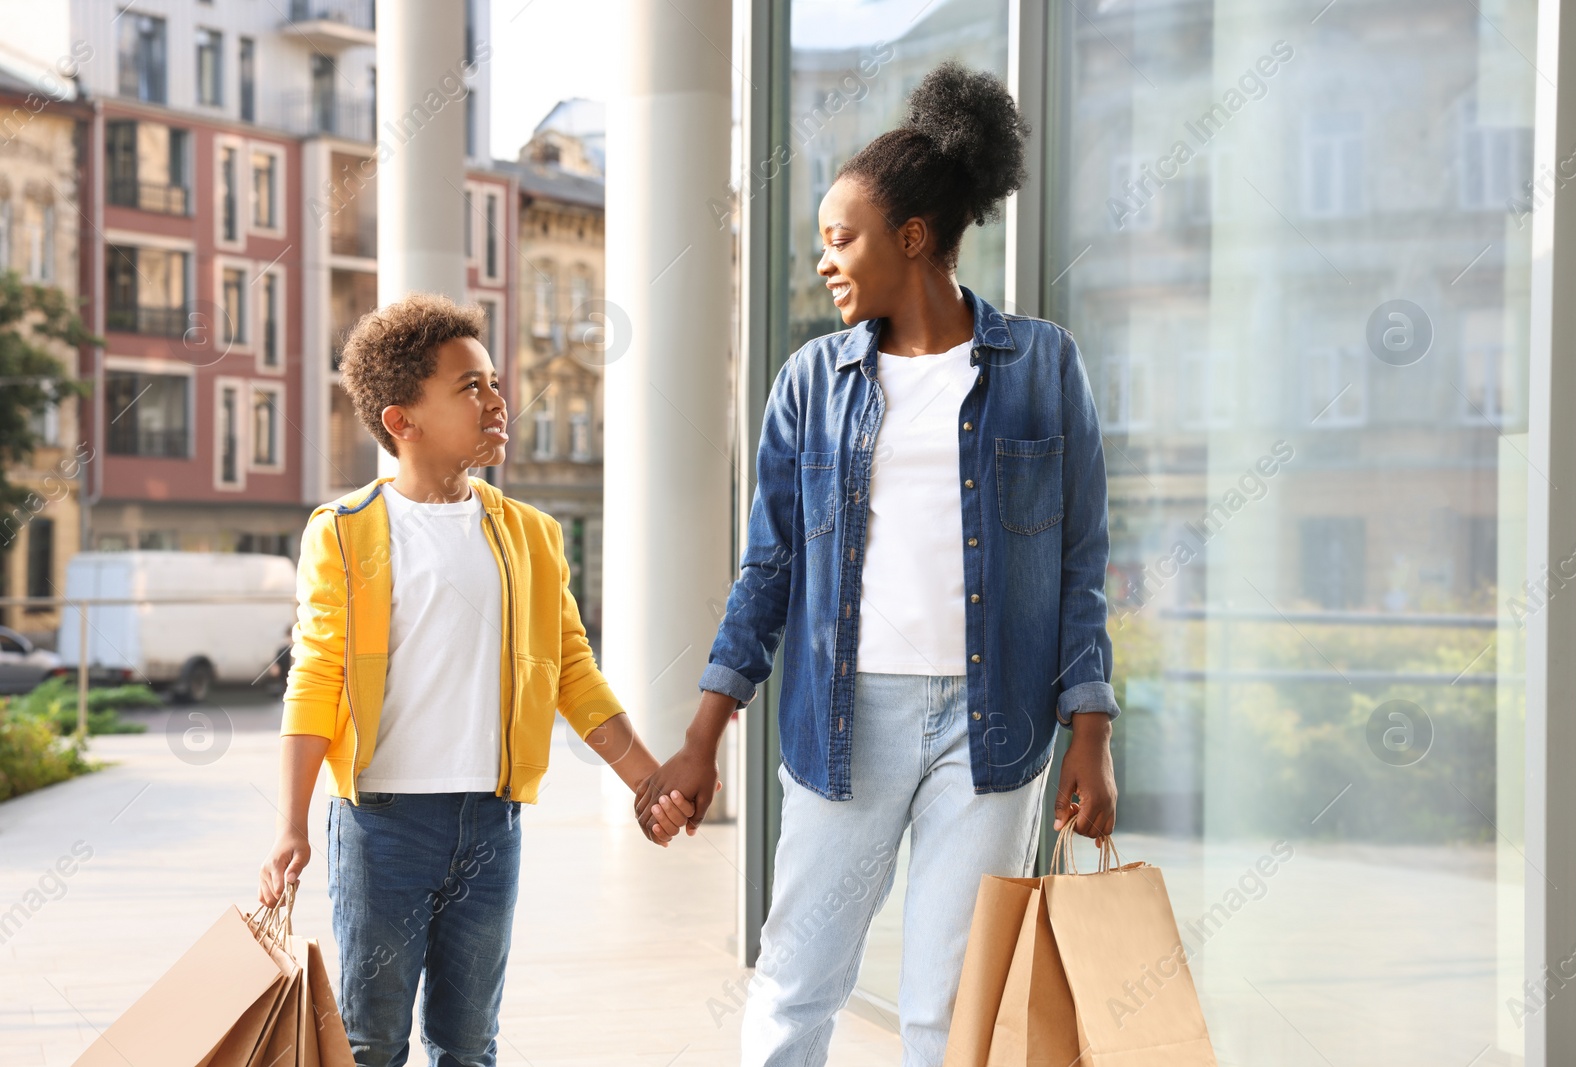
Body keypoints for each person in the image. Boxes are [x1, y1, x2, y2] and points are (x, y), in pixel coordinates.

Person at [635, 61, 1121, 1066]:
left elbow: (1079, 561)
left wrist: (1092, 730)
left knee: (950, 1004)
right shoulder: (811, 381)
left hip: (994, 732)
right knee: (796, 981)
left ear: (911, 238)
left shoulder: (1041, 364)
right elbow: (767, 569)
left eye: (839, 236)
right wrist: (701, 733)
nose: (824, 261)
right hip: (842, 721)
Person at [258, 294, 694, 1066]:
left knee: (469, 1042)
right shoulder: (346, 531)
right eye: (471, 386)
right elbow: (316, 676)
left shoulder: (530, 534)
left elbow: (573, 675)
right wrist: (292, 822)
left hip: (490, 825)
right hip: (381, 826)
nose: (498, 400)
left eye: (493, 381)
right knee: (369, 1043)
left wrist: (648, 781)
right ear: (402, 420)